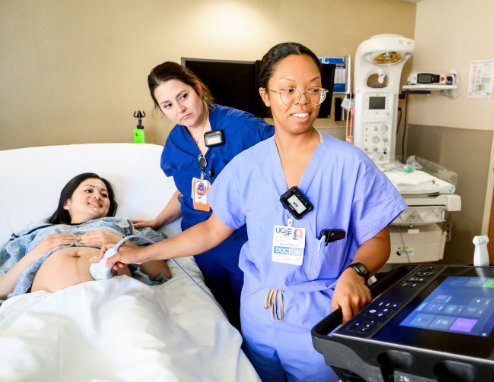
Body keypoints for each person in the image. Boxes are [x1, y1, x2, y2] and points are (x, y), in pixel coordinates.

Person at [102, 43, 406, 382]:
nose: (302, 100)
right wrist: (142, 253)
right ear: (265, 95)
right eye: (288, 89)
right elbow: (210, 231)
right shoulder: (247, 166)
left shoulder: (350, 164)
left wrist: (356, 271)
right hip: (258, 313)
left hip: (322, 316)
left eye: (313, 88)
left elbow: (378, 238)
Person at [134, 61, 274, 329]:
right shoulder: (176, 143)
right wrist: (157, 220)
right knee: (221, 317)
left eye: (183, 96)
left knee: (254, 318)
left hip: (243, 243)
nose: (180, 109)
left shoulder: (242, 127)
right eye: (168, 105)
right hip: (200, 245)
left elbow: (286, 157)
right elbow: (185, 190)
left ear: (197, 89)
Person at [0, 173, 171, 301]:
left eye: (104, 195)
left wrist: (118, 241)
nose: (98, 196)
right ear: (67, 203)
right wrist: (37, 252)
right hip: (48, 304)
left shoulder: (122, 226)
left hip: (116, 299)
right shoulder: (36, 232)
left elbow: (162, 273)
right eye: (89, 190)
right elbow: (2, 290)